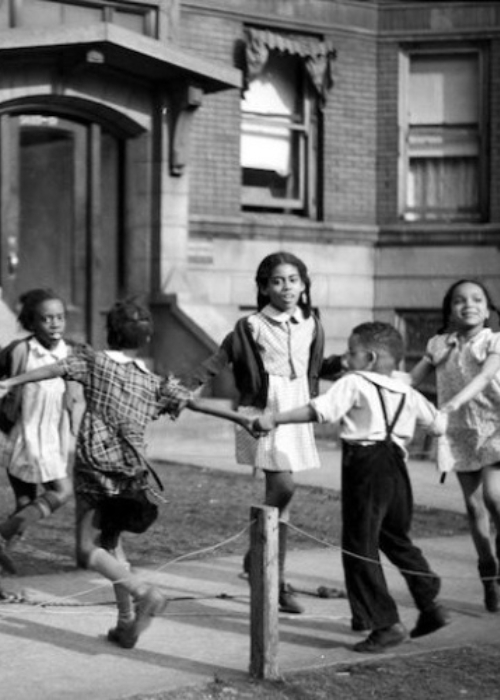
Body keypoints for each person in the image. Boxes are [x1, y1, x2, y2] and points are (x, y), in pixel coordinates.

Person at [0, 297, 255, 648]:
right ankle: (125, 623)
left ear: (108, 332)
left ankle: (144, 593)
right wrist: (240, 417)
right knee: (111, 544)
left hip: (95, 474)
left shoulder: (92, 362)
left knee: (87, 551)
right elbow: (191, 401)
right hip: (132, 478)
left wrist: (11, 382)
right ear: (146, 340)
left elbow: (55, 369)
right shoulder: (153, 382)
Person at [253, 321, 450, 653]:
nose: (345, 358)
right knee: (395, 538)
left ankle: (384, 624)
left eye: (351, 351)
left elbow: (319, 411)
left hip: (366, 467)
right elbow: (438, 425)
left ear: (369, 357)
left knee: (359, 546)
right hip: (397, 469)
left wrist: (274, 419)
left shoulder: (354, 382)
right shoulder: (406, 391)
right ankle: (430, 602)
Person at [189, 251, 343, 615]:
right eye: (277, 280)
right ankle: (263, 565)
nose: (286, 287)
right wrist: (188, 386)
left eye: (292, 279)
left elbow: (313, 364)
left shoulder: (311, 321)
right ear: (263, 286)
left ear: (304, 285)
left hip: (295, 409)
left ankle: (264, 566)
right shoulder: (251, 326)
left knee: (284, 499)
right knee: (284, 488)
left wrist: (341, 365)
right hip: (261, 411)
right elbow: (219, 358)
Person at [411, 279, 500, 613]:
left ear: (489, 308)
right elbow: (410, 380)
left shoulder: (495, 341)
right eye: (460, 300)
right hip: (460, 432)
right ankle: (488, 573)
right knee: (475, 508)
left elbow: (484, 376)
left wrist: (448, 406)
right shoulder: (438, 345)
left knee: (494, 498)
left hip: (495, 426)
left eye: (477, 299)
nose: (469, 305)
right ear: (449, 309)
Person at [0, 288, 85, 574]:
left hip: (54, 437)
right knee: (61, 491)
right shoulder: (20, 352)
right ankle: (1, 538)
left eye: (59, 317)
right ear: (32, 322)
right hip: (24, 437)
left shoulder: (72, 351)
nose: (54, 324)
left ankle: (2, 546)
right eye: (46, 318)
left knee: (25, 506)